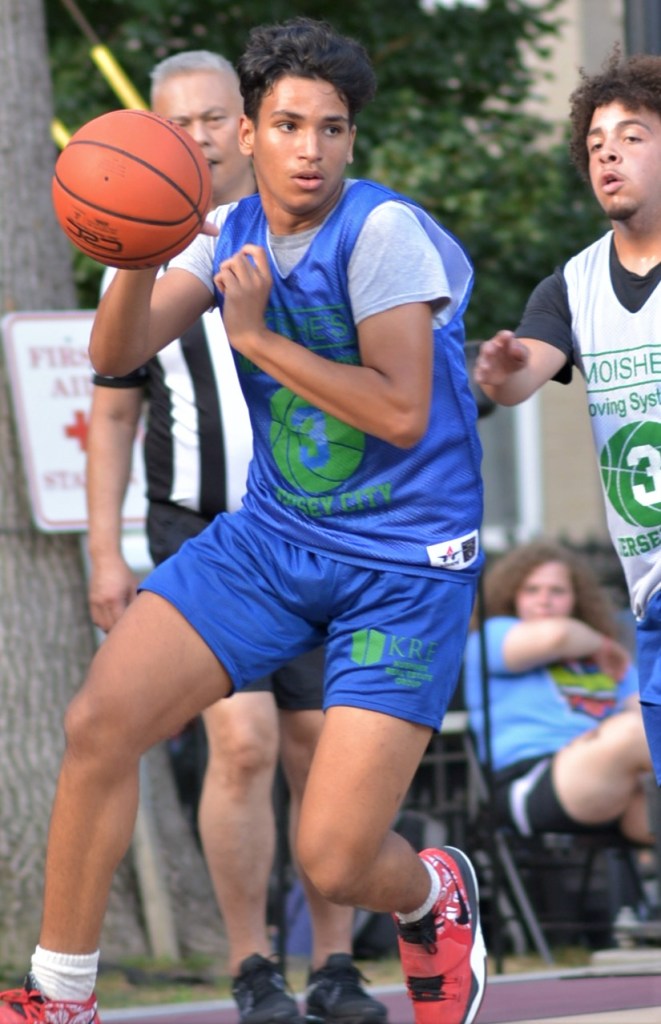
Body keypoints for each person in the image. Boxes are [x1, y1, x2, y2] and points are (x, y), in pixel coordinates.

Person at [0, 17, 487, 1024]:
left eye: (332, 128)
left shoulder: (381, 234)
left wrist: (255, 338)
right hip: (274, 540)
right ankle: (63, 996)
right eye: (289, 125)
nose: (311, 150)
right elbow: (115, 354)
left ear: (351, 140)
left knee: (336, 857)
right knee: (100, 723)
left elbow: (401, 411)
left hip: (405, 562)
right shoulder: (221, 229)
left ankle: (431, 892)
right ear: (249, 135)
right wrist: (142, 247)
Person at [85, 49, 385, 1024]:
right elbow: (113, 409)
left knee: (318, 743)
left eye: (213, 117)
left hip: (317, 525)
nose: (198, 136)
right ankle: (253, 964)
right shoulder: (139, 252)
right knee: (244, 742)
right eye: (177, 123)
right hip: (200, 527)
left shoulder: (309, 231)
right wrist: (106, 551)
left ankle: (334, 963)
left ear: (246, 126)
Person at [473, 49, 661, 791]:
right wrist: (499, 372)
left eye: (631, 136)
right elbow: (523, 374)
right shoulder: (572, 287)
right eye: (595, 144)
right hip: (648, 595)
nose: (608, 153)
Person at [464, 540, 654, 844]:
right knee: (631, 732)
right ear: (512, 595)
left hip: (615, 786)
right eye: (531, 590)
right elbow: (557, 637)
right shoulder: (492, 635)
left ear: (576, 598)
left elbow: (644, 714)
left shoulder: (608, 662)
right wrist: (602, 645)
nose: (544, 600)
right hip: (531, 782)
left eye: (557, 591)